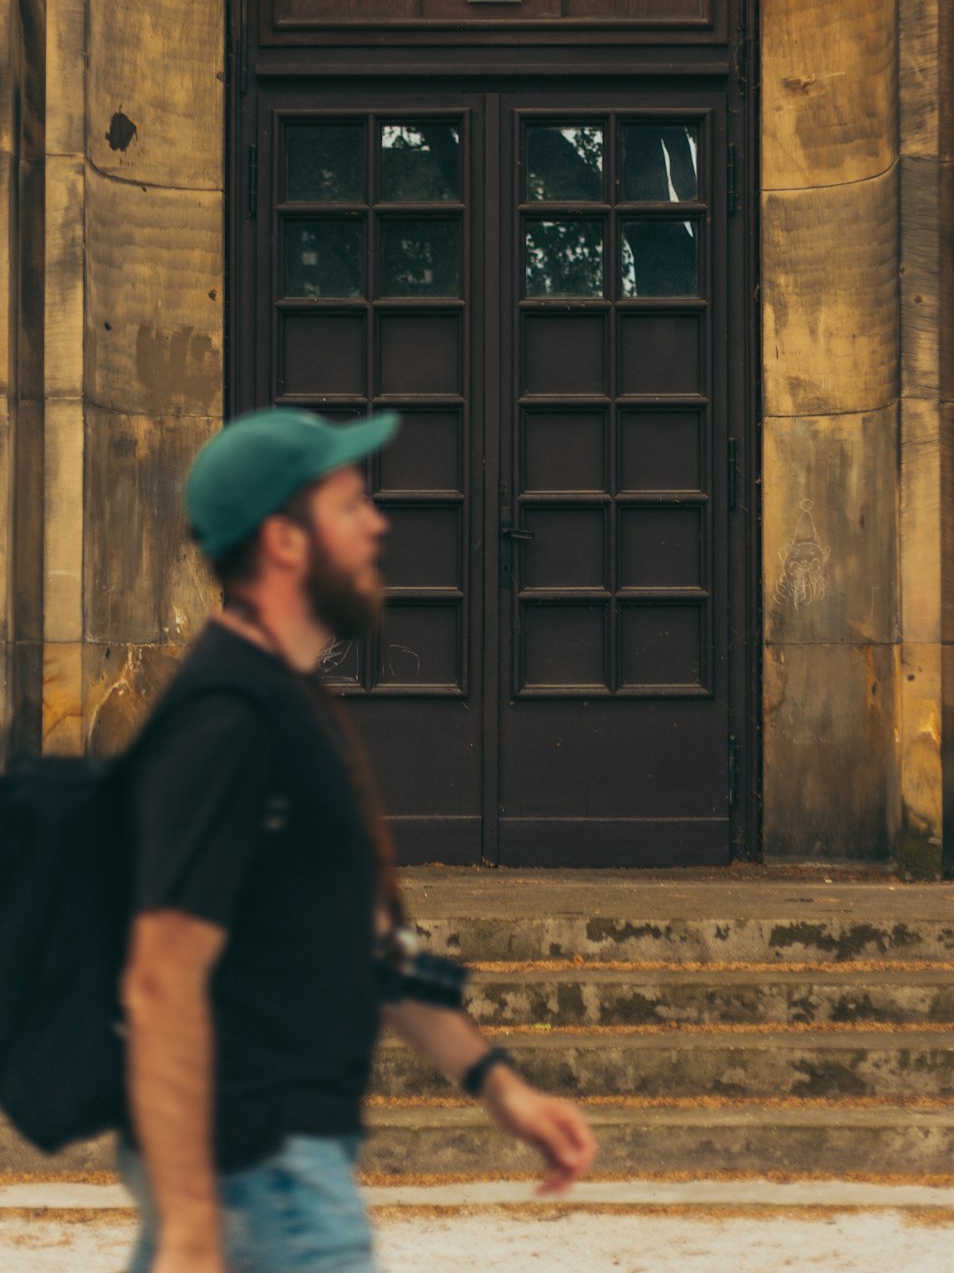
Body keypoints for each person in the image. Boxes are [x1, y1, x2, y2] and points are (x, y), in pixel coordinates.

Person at [119, 407, 597, 1273]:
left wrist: (501, 1087)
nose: (379, 523)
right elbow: (160, 981)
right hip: (263, 1178)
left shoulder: (292, 702)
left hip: (276, 1172)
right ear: (285, 542)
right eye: (350, 505)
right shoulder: (226, 720)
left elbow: (372, 944)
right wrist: (193, 1226)